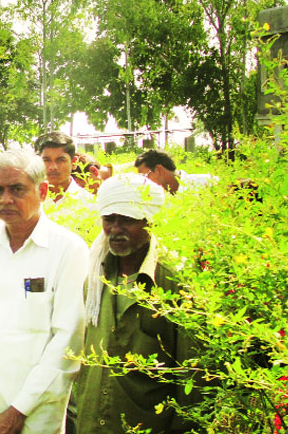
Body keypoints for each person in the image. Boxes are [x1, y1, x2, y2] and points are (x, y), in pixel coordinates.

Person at [0, 149, 88, 434]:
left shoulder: (68, 250)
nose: (5, 199)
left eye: (17, 189)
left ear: (43, 191)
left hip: (33, 415)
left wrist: (17, 411)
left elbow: (67, 341)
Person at [74, 174, 197, 433]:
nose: (116, 230)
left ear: (149, 222)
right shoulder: (95, 276)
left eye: (127, 220)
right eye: (109, 220)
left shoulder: (175, 282)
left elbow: (192, 378)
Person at [34, 132, 91, 202]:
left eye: (60, 160)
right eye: (46, 160)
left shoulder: (90, 203)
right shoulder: (30, 201)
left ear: (74, 162)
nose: (53, 167)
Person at [134, 150, 218, 195]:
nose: (143, 182)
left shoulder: (210, 184)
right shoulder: (157, 199)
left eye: (144, 176)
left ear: (159, 170)